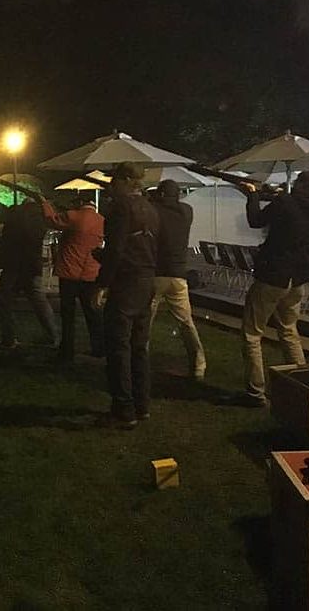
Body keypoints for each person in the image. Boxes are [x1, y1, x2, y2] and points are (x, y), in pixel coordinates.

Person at [233, 171, 309, 407]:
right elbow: (294, 210)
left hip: (273, 274)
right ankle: (302, 385)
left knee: (252, 333)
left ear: (300, 185)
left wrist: (253, 195)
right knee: (289, 332)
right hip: (299, 276)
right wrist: (277, 195)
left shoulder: (286, 202)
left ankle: (255, 392)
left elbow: (256, 220)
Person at [92, 162, 160, 429]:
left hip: (126, 283)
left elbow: (117, 249)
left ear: (126, 181)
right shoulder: (150, 208)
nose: (111, 185)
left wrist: (102, 283)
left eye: (115, 180)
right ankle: (142, 405)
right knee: (139, 347)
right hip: (146, 280)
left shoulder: (121, 208)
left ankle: (123, 409)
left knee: (118, 347)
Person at [149, 179, 206, 380]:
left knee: (144, 322)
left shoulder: (153, 211)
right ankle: (199, 363)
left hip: (156, 273)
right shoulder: (186, 212)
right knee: (186, 323)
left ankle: (138, 357)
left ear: (161, 194)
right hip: (178, 274)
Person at [0, 198, 59, 353]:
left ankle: (9, 339)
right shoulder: (40, 218)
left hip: (13, 264)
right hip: (32, 265)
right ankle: (52, 335)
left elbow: (1, 219)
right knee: (39, 301)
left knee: (5, 302)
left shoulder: (16, 214)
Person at [41, 196, 105, 365]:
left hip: (69, 273)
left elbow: (51, 220)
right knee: (92, 313)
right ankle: (99, 347)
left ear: (80, 204)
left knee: (68, 315)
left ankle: (67, 350)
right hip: (90, 273)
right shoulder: (101, 220)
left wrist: (45, 203)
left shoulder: (73, 216)